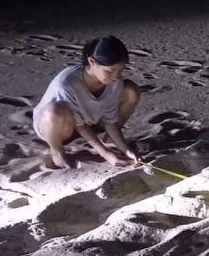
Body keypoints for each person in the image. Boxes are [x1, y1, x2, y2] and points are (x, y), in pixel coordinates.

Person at [32, 35, 142, 169]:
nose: (116, 76)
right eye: (110, 70)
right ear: (92, 61)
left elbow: (110, 120)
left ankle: (110, 141)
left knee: (130, 90)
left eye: (120, 70)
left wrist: (126, 150)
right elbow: (80, 126)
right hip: (57, 126)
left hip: (90, 121)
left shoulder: (114, 81)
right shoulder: (67, 83)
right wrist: (106, 155)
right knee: (54, 111)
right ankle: (56, 150)